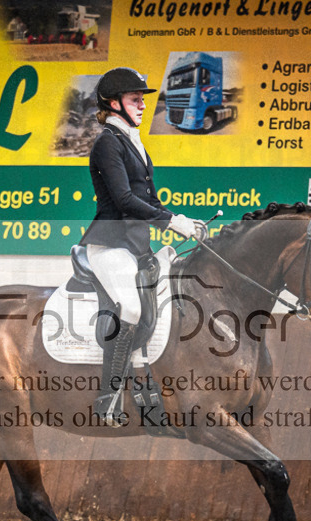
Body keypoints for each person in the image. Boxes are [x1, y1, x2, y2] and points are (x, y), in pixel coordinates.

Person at [79, 66, 201, 427]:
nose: (143, 105)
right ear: (114, 103)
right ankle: (108, 397)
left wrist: (182, 220)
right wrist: (170, 221)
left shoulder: (133, 141)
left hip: (135, 245)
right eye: (136, 99)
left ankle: (148, 385)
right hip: (109, 244)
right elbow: (124, 199)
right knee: (130, 307)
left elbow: (150, 199)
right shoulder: (107, 142)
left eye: (142, 100)